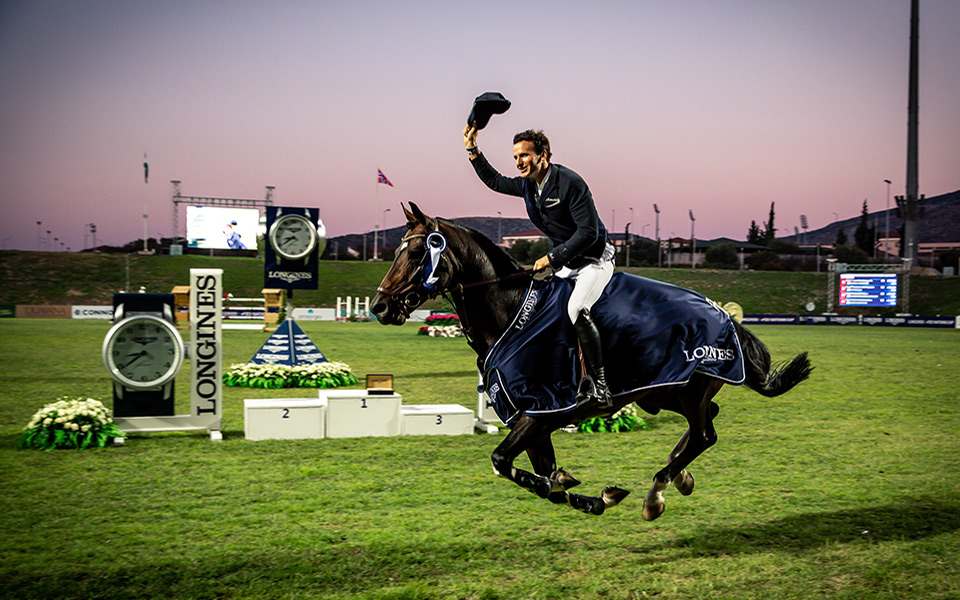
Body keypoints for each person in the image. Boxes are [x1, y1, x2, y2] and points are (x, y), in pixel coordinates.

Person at [463, 124, 615, 410]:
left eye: (524, 155)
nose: (519, 162)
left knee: (575, 309)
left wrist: (551, 258)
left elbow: (589, 233)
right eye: (515, 157)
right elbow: (494, 180)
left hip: (594, 261)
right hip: (566, 265)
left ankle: (602, 388)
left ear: (543, 156)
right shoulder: (527, 185)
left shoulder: (571, 182)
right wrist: (472, 149)